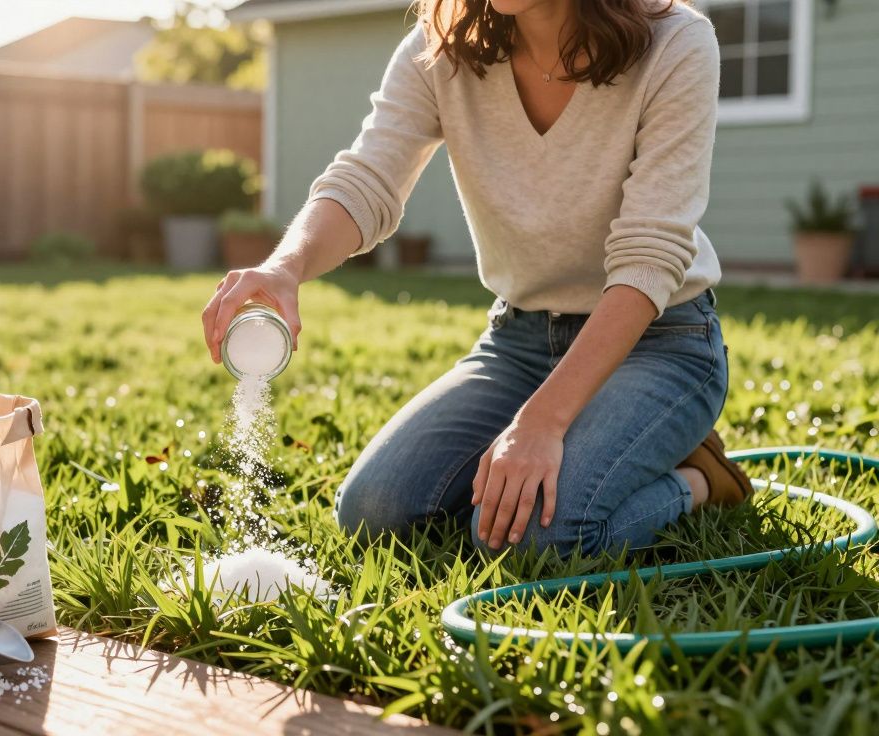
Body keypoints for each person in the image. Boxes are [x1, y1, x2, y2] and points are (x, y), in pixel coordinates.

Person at [200, 0, 753, 557]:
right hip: (520, 342)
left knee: (536, 538)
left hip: (657, 344)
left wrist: (543, 421)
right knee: (374, 512)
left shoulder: (676, 42)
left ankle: (700, 480)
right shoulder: (441, 47)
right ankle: (568, 460)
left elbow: (650, 256)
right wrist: (285, 267)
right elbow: (369, 176)